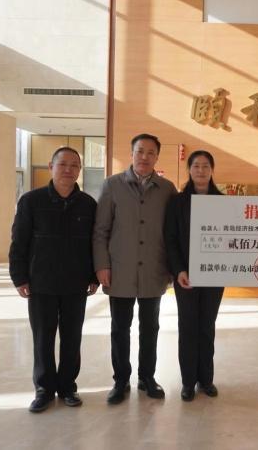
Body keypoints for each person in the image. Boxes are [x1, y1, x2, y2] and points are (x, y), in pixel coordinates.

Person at [9, 147, 98, 413]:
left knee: (72, 338)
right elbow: (19, 242)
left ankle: (68, 387)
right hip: (41, 283)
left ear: (79, 170)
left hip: (76, 284)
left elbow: (94, 244)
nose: (68, 169)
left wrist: (94, 276)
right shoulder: (31, 201)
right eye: (63, 164)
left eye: (74, 165)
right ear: (51, 166)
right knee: (43, 339)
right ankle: (44, 389)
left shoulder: (88, 204)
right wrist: (19, 277)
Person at [93, 133, 178, 404]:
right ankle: (120, 381)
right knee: (120, 328)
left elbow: (173, 232)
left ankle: (147, 377)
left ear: (157, 157)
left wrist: (172, 268)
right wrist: (102, 265)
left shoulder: (167, 189)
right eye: (140, 151)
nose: (145, 157)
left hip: (154, 269)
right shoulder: (112, 185)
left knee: (150, 328)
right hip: (120, 270)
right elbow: (101, 230)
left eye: (151, 152)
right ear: (131, 154)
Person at [164, 150, 225, 402]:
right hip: (185, 276)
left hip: (215, 275)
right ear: (189, 170)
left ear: (212, 170)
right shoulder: (177, 202)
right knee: (188, 326)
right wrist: (179, 269)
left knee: (207, 327)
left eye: (206, 166)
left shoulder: (223, 202)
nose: (201, 170)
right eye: (196, 166)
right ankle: (188, 382)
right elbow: (170, 239)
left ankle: (206, 380)